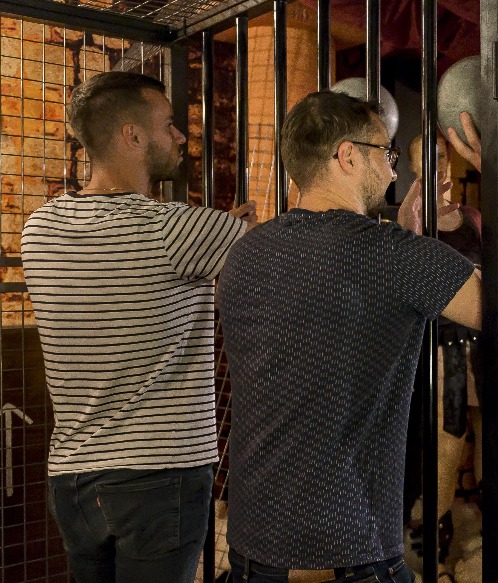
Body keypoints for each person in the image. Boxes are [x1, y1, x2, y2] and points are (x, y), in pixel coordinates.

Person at [218, 91, 498, 582]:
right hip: (348, 559)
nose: (392, 167)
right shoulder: (390, 255)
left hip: (252, 553)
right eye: (385, 151)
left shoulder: (244, 252)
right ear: (347, 156)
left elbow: (323, 344)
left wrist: (410, 246)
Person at [20, 71, 257, 583]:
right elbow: (274, 258)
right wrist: (231, 229)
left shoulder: (38, 229)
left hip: (73, 480)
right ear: (132, 135)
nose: (181, 136)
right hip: (159, 478)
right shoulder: (174, 228)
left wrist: (220, 232)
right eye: (168, 124)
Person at [404, 132, 483, 577]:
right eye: (427, 158)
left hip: (482, 344)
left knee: (490, 438)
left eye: (441, 155)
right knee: (447, 448)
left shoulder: (471, 217)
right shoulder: (412, 218)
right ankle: (436, 551)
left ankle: (491, 526)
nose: (436, 163)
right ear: (414, 166)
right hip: (441, 345)